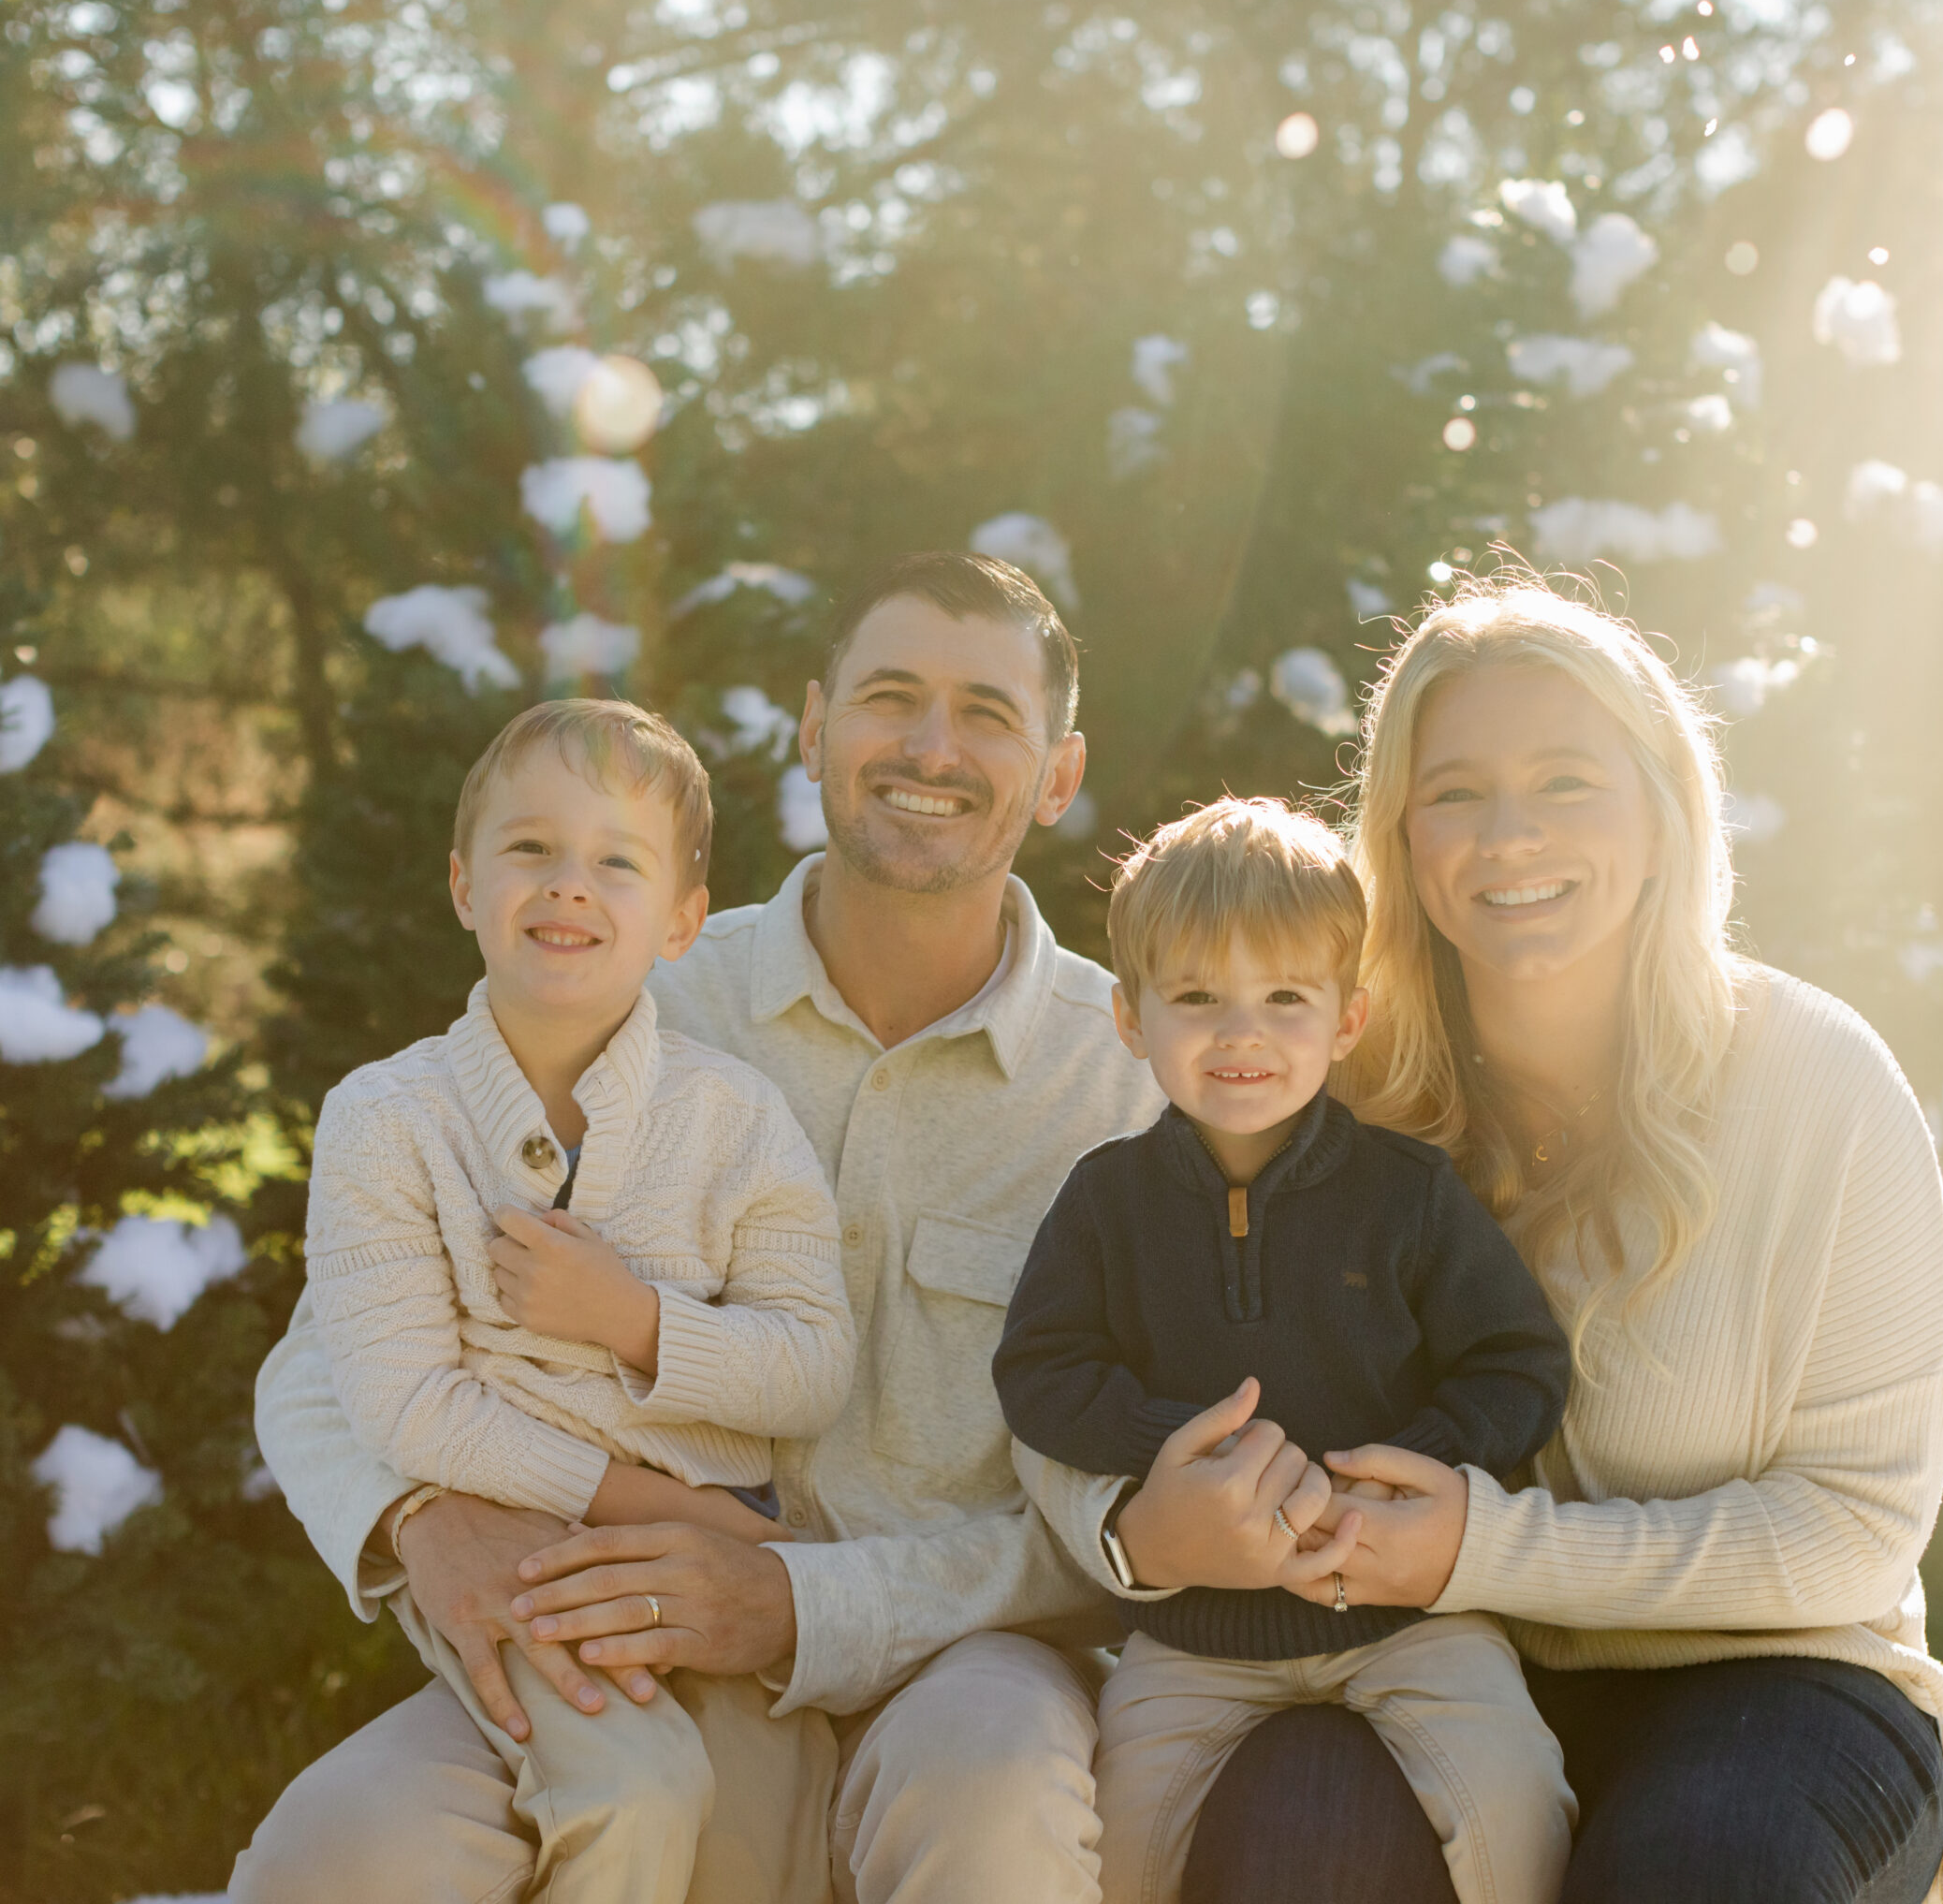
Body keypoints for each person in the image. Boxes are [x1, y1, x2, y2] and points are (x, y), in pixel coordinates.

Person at [234, 552, 1254, 1904]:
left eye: (988, 716)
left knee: (996, 1796)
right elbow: (326, 1361)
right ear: (813, 727)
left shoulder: (1131, 1088)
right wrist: (419, 1517)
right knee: (339, 1856)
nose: (931, 747)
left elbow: (1139, 1514)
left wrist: (808, 1607)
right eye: (891, 698)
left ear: (1060, 776)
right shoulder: (632, 979)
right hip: (610, 1631)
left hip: (956, 1662)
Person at [1020, 571, 1943, 1904]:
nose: (1508, 836)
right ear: (1401, 839)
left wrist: (1485, 1547)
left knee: (1698, 1875)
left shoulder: (1818, 1083)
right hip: (1414, 1656)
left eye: (1568, 782)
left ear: (1662, 812)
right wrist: (1137, 1533)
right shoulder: (1318, 1079)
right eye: (1454, 793)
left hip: (1769, 1680)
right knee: (1301, 1834)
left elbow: (1855, 1531)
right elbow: (1094, 1350)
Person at [299, 698, 857, 1903]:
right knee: (627, 1791)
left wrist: (636, 1321)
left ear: (683, 922)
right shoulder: (387, 1121)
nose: (568, 885)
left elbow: (813, 1359)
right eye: (529, 849)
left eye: (616, 860)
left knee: (771, 1852)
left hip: (720, 1583)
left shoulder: (734, 1118)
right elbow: (406, 1406)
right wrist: (651, 1504)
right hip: (529, 1564)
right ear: (462, 883)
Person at [993, 797, 1575, 1904]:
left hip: (1409, 1617)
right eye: (1198, 998)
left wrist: (1406, 1463)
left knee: (1515, 1795)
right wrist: (1179, 1448)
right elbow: (1041, 1371)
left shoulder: (1406, 1195)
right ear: (1130, 1017)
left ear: (1346, 1019)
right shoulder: (1106, 1199)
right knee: (1116, 1854)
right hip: (1193, 1635)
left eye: (1285, 998)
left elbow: (1518, 1361)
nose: (1241, 1034)